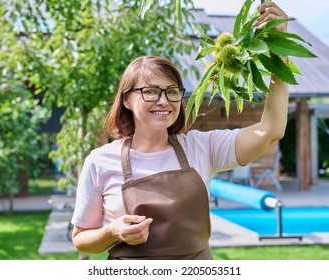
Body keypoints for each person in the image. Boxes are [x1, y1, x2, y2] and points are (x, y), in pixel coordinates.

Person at [71, 2, 289, 260]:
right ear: (127, 100)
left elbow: (270, 131)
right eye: (150, 91)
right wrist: (113, 232)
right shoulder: (99, 161)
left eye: (172, 91)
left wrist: (278, 52)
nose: (163, 101)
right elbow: (82, 239)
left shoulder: (202, 147)